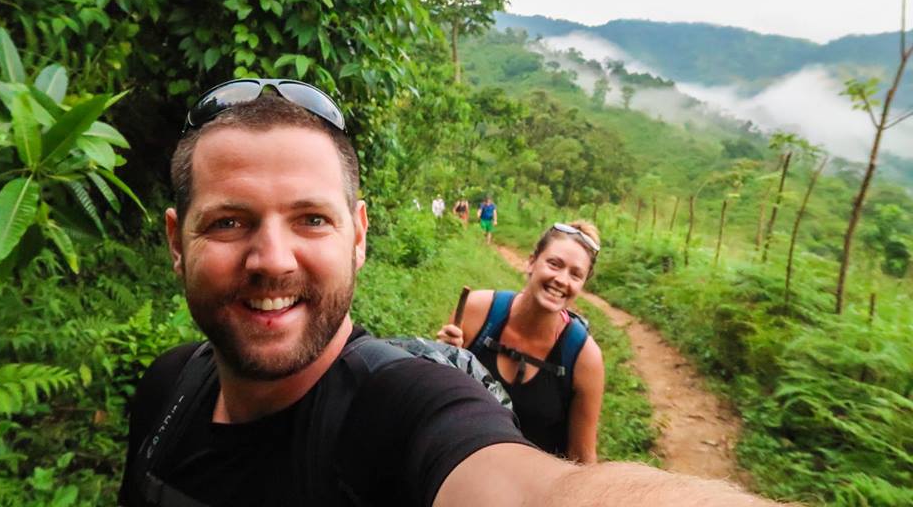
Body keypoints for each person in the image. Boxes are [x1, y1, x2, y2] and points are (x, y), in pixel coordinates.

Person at [120, 78, 783, 507]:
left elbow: (547, 490)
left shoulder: (406, 411)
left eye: (311, 219)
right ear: (177, 241)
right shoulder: (165, 390)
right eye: (230, 222)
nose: (271, 259)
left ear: (359, 236)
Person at [437, 222, 604, 463]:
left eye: (575, 274)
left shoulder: (583, 358)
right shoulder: (478, 311)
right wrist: (443, 357)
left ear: (582, 284)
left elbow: (582, 457)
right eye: (554, 264)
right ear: (532, 261)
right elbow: (437, 398)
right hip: (457, 466)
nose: (561, 279)